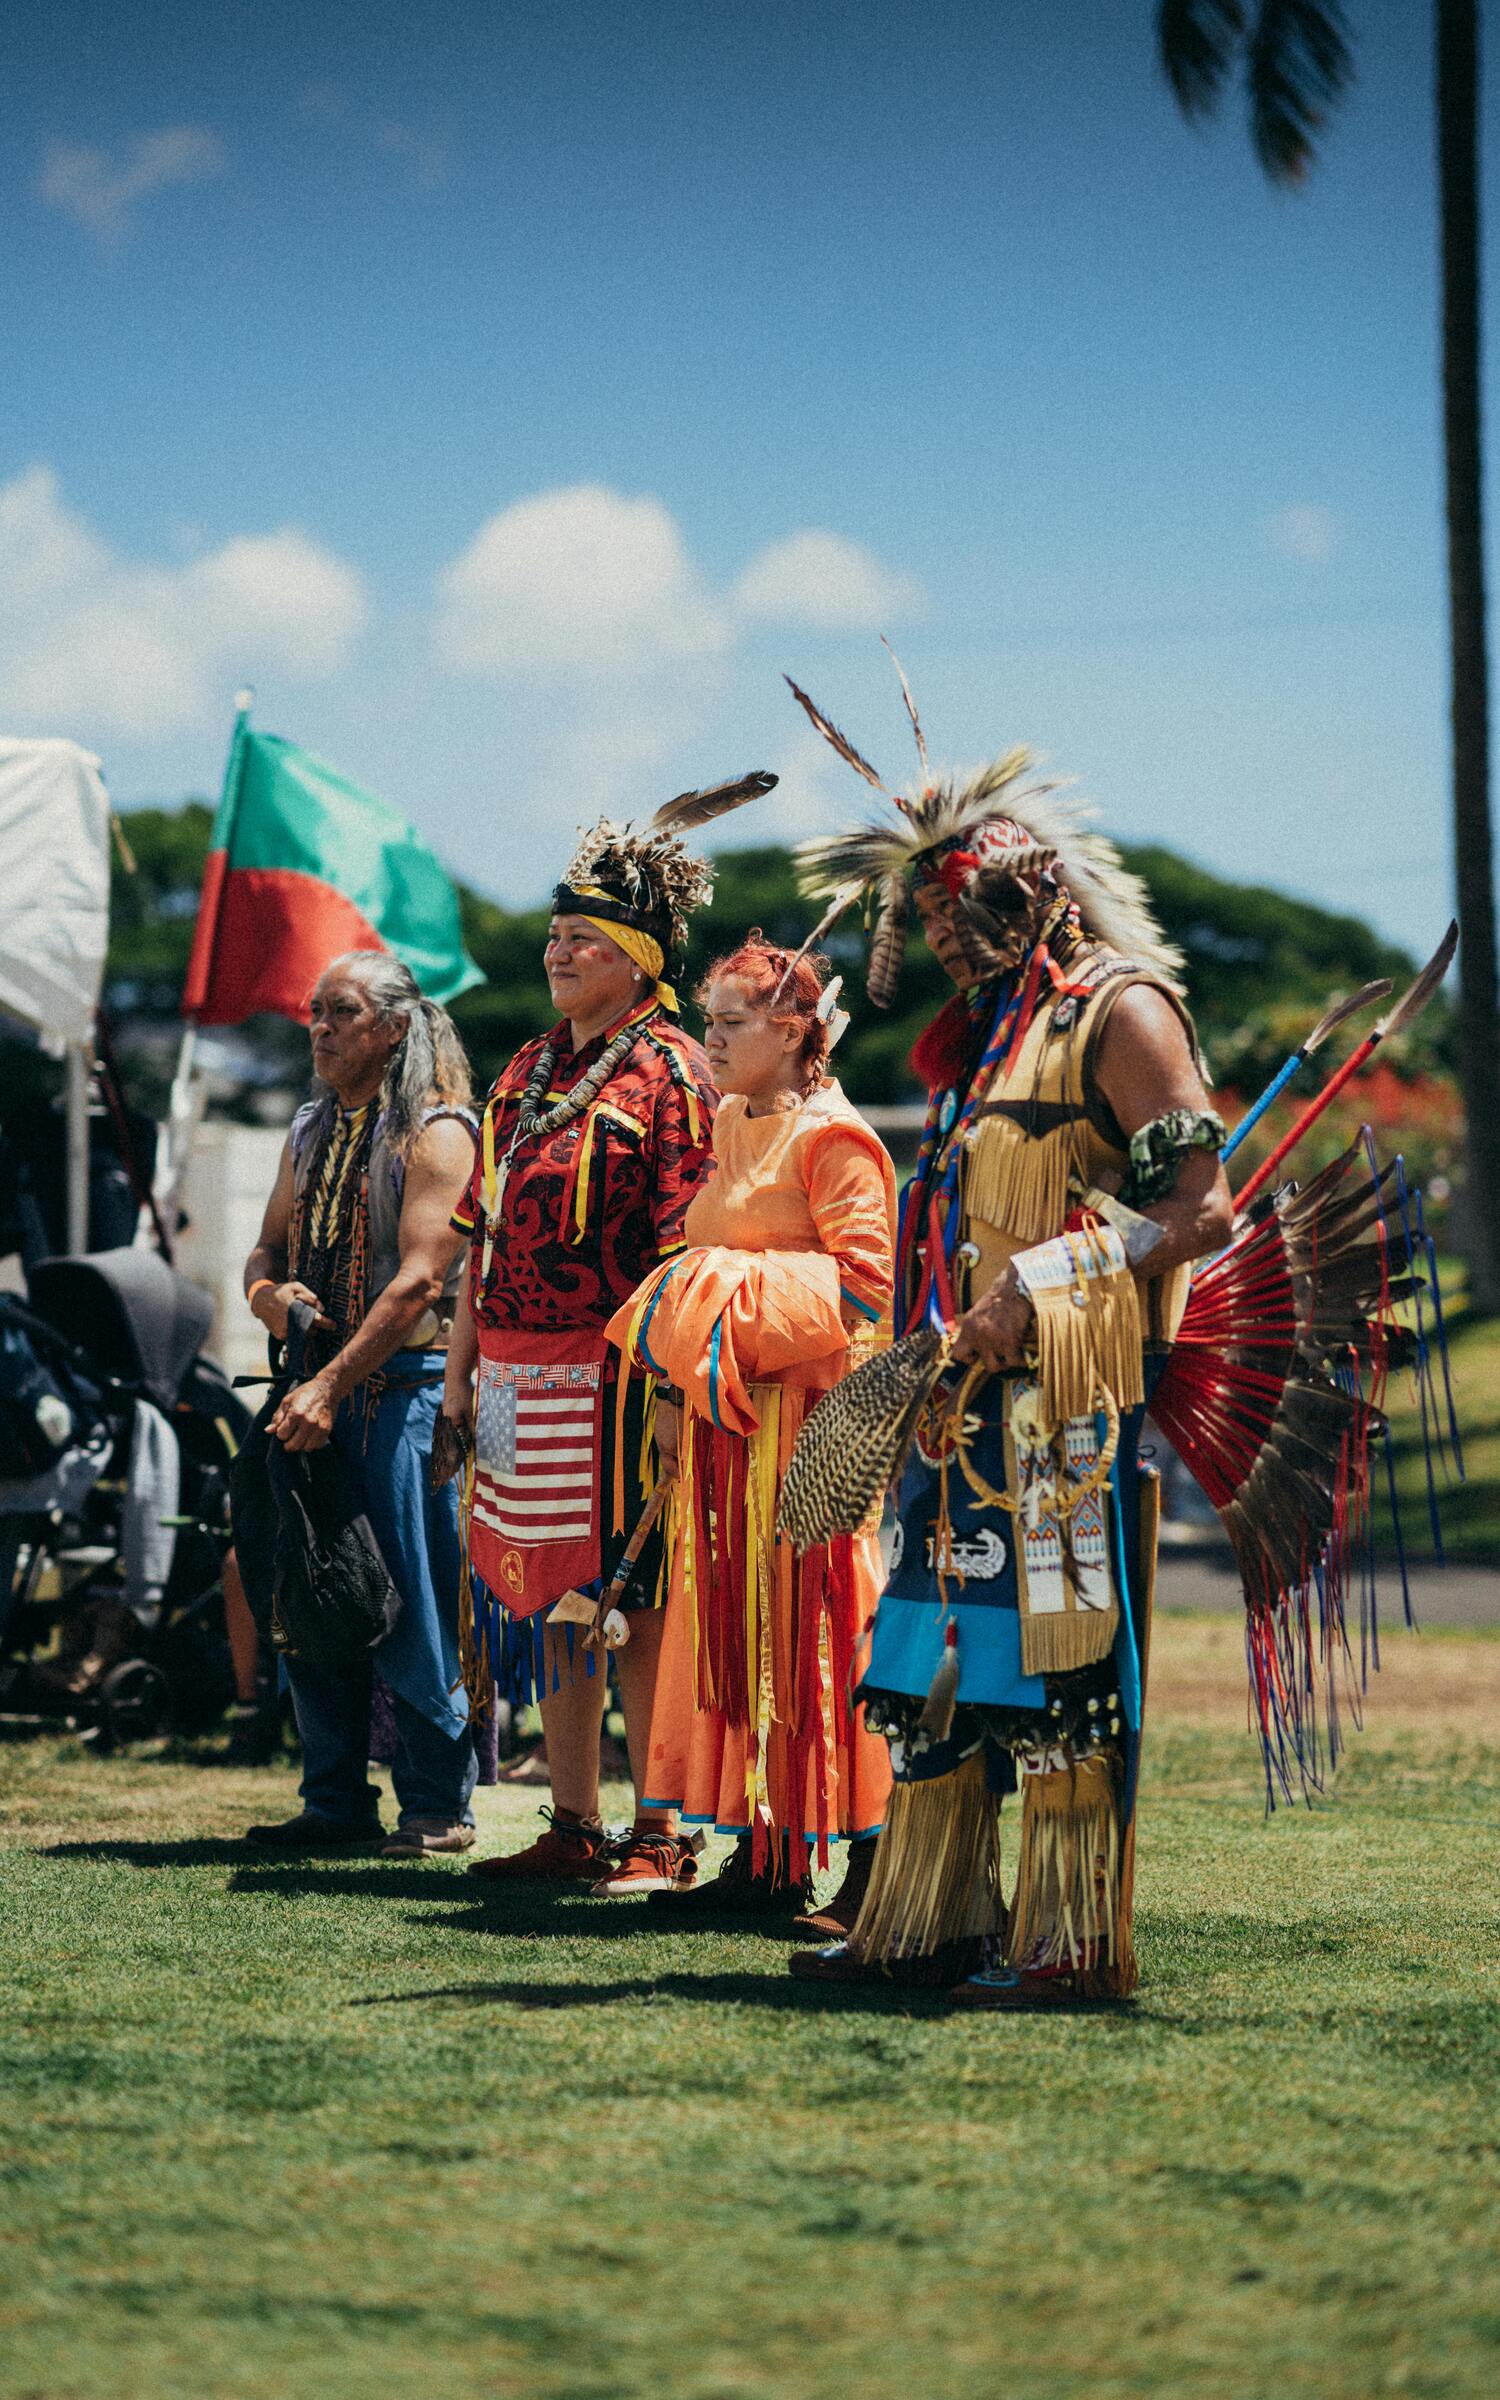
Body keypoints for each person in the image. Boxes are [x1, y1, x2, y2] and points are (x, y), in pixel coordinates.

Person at [778, 673, 1231, 2002]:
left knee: (1057, 1666)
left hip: (1070, 1410)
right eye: (924, 915)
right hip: (960, 1400)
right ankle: (923, 1921)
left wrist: (1050, 1279)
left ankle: (1069, 1940)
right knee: (936, 1657)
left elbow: (1200, 1210)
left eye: (960, 905)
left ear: (1031, 895)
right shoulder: (989, 1046)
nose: (943, 935)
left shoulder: (1122, 1013)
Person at [443, 775, 774, 1891]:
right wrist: (459, 1378)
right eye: (551, 938)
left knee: (632, 1601)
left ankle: (662, 1831)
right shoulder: (530, 1070)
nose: (557, 955)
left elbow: (695, 1244)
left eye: (581, 940)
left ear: (638, 957)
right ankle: (574, 1822)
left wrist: (681, 1391)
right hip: (511, 1381)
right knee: (540, 1596)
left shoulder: (671, 1070)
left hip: (621, 1376)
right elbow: (477, 1235)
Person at [606, 934, 895, 1923]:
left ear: (795, 1031)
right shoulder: (734, 1121)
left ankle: (870, 1864)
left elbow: (863, 1291)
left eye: (730, 1024)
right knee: (734, 1624)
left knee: (824, 1631)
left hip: (817, 1428)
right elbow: (707, 1244)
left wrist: (713, 1291)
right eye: (709, 1020)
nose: (709, 1041)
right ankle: (765, 1858)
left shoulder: (837, 1139)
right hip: (732, 1423)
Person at [239, 952, 480, 1856]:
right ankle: (333, 1801)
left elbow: (422, 1280)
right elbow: (264, 1253)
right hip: (312, 1390)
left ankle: (437, 1804)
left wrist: (331, 1384)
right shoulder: (307, 1129)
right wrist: (271, 1300)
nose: (320, 1027)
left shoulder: (437, 1132)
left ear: (391, 1027)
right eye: (314, 1012)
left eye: (340, 1012)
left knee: (413, 1597)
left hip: (402, 1398)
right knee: (310, 1585)